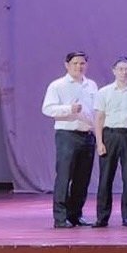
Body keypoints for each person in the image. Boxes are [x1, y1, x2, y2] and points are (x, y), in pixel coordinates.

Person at [43, 51, 97, 228]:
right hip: (67, 135)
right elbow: (47, 109)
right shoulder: (57, 85)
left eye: (82, 63)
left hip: (87, 135)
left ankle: (76, 215)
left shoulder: (91, 85)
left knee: (82, 178)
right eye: (75, 63)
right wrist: (69, 109)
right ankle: (60, 217)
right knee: (64, 176)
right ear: (67, 65)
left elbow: (96, 111)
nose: (79, 66)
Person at [92, 56, 127, 227]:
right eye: (121, 69)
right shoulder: (104, 92)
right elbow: (99, 118)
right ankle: (102, 216)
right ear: (114, 71)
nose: (124, 72)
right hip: (110, 135)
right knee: (105, 178)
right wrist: (100, 142)